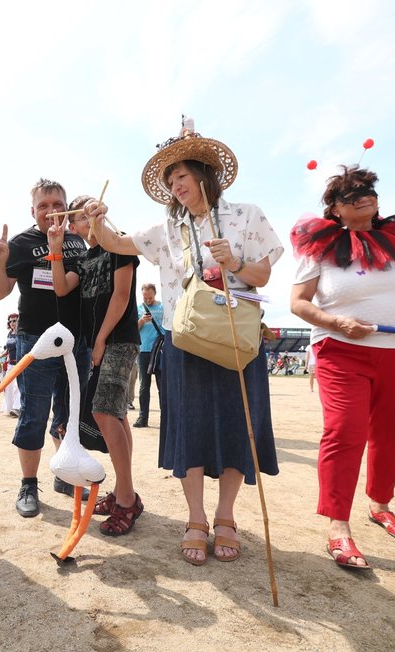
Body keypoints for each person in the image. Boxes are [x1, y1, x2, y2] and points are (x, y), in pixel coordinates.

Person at [85, 121, 282, 564]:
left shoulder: (247, 214)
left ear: (203, 175)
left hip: (236, 337)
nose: (175, 186)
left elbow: (263, 275)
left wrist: (234, 261)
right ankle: (196, 518)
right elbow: (117, 241)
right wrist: (97, 223)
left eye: (181, 177)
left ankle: (226, 516)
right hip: (184, 338)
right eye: (170, 181)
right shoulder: (165, 231)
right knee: (189, 428)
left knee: (237, 423)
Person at [290, 166, 395, 569]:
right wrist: (337, 323)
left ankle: (380, 505)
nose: (362, 197)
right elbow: (298, 303)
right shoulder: (320, 249)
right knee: (345, 431)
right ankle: (338, 525)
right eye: (350, 194)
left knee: (391, 435)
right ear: (334, 210)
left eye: (367, 190)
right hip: (342, 350)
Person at [0, 178, 89, 518]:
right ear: (33, 210)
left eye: (57, 203)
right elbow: (0, 292)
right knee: (33, 412)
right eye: (43, 205)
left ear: (67, 206)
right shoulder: (20, 243)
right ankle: (28, 484)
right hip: (36, 338)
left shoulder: (78, 242)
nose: (51, 210)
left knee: (69, 412)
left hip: (77, 341)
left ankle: (65, 473)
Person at [50, 195, 143, 536]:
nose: (88, 220)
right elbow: (61, 288)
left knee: (104, 412)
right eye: (81, 217)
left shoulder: (120, 244)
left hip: (118, 338)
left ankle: (127, 499)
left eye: (93, 212)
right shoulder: (86, 257)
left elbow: (121, 296)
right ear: (74, 226)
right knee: (115, 414)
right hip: (101, 341)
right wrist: (56, 248)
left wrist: (101, 338)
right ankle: (123, 492)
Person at [134, 283, 164, 428]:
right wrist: (141, 321)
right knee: (144, 385)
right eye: (145, 298)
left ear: (155, 294)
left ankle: (165, 416)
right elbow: (133, 329)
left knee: (161, 385)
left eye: (150, 297)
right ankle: (142, 417)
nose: (147, 300)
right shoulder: (139, 308)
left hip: (159, 350)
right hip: (144, 350)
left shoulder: (163, 308)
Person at [1, 314, 22, 417]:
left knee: (18, 386)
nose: (12, 323)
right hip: (10, 364)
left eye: (15, 320)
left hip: (20, 364)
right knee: (8, 386)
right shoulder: (9, 334)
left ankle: (17, 408)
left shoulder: (22, 333)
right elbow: (8, 350)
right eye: (11, 321)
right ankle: (9, 408)